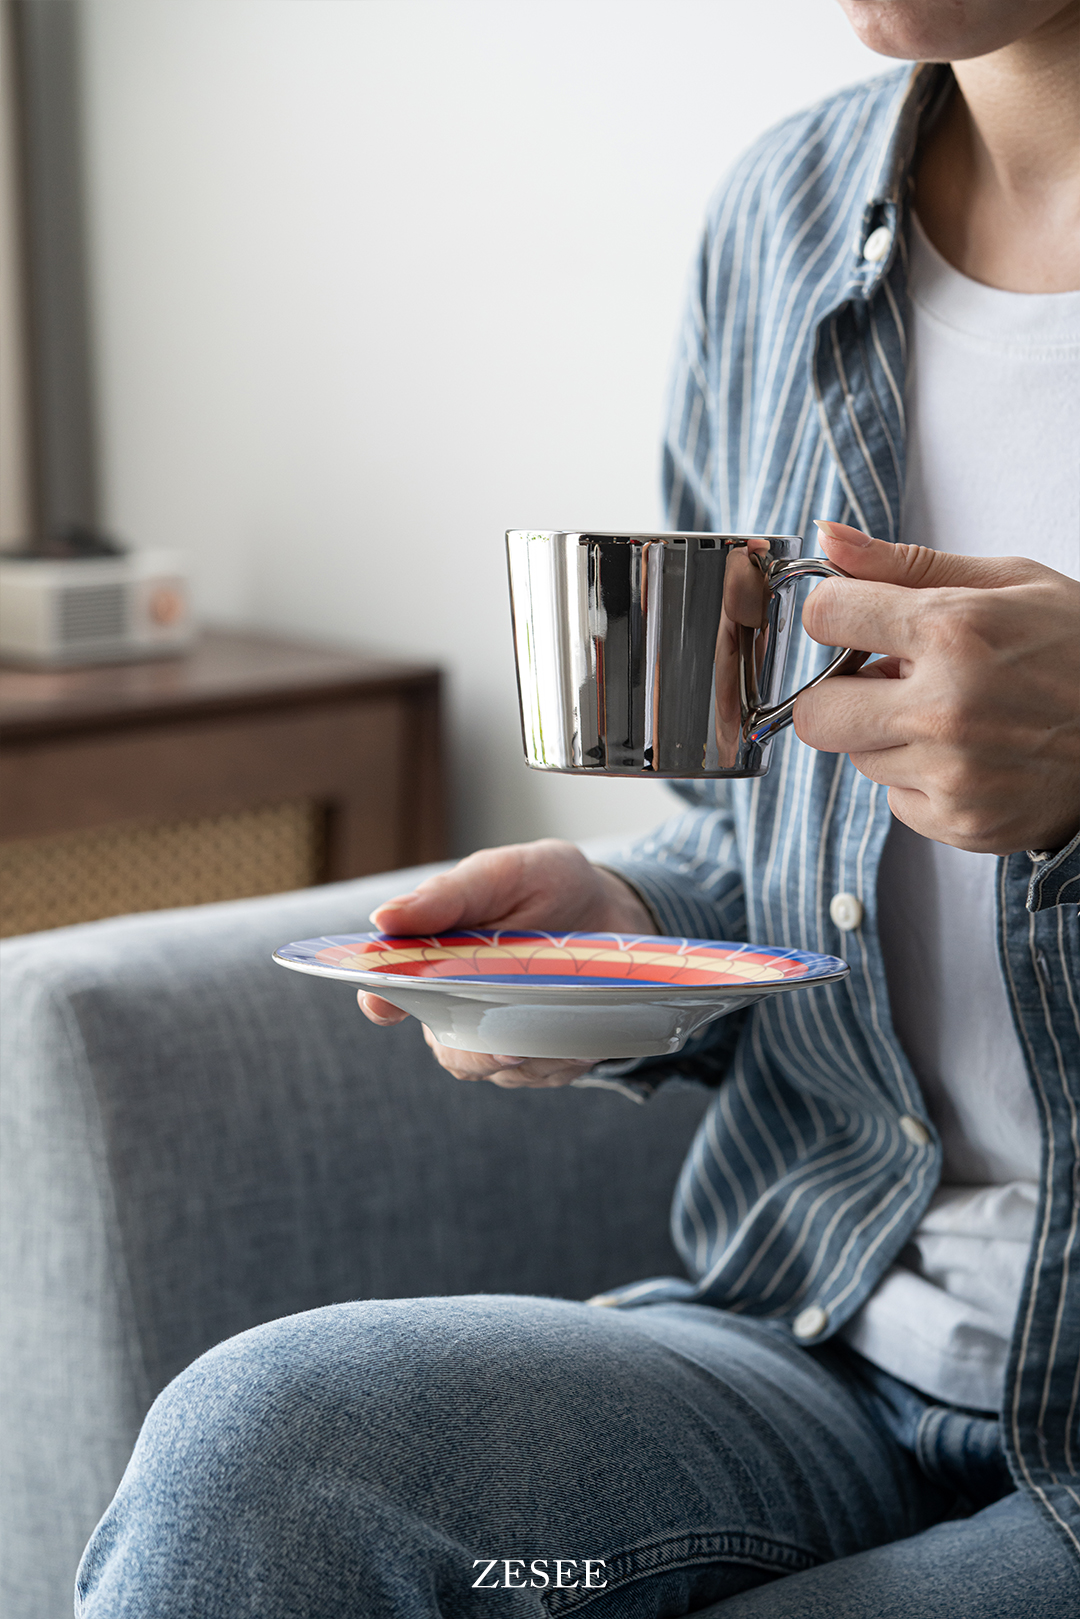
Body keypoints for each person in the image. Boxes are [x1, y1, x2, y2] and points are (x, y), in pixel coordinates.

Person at [77, 1, 1080, 1614]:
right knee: (263, 1460)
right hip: (814, 1331)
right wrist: (631, 930)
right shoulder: (789, 213)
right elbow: (755, 837)